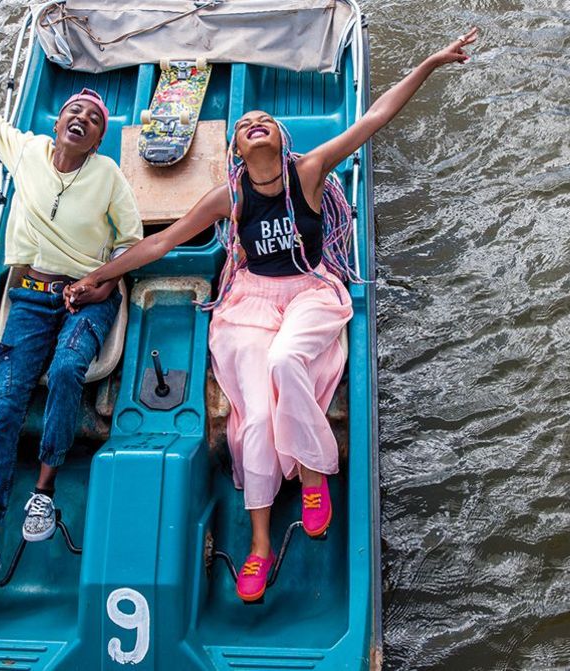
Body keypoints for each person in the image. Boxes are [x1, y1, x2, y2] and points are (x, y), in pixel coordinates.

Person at [66, 29, 479, 602]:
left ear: (282, 140)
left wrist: (429, 62)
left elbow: (375, 117)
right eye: (243, 124)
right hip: (250, 301)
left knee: (288, 361)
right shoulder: (229, 197)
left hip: (310, 290)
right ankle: (259, 545)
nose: (253, 121)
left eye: (264, 119)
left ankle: (314, 475)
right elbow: (162, 246)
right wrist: (100, 277)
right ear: (236, 150)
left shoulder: (308, 172)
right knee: (255, 417)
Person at [0, 60, 142, 598]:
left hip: (87, 295)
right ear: (58, 124)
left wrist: (104, 284)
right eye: (73, 113)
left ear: (100, 138)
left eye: (93, 119)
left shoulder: (109, 176)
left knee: (65, 371)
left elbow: (129, 241)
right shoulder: (28, 151)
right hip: (30, 298)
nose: (80, 119)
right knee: (8, 403)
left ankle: (44, 488)